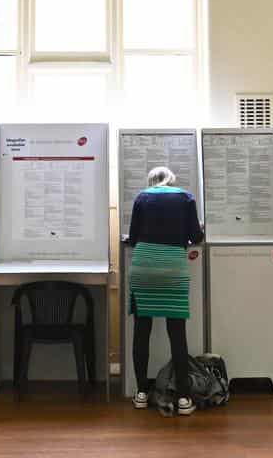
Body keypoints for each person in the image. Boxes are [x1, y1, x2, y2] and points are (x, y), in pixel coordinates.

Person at [124, 166, 204, 416]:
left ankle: (140, 393)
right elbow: (196, 237)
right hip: (173, 266)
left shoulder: (142, 197)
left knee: (142, 330)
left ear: (152, 181)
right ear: (172, 180)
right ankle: (183, 398)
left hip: (144, 266)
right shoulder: (185, 197)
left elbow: (133, 236)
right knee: (176, 333)